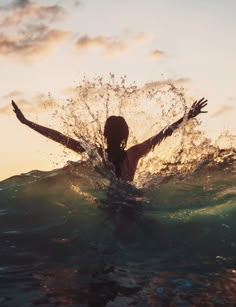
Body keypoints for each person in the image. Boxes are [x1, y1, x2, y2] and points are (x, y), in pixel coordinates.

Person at [12, 98, 207, 182]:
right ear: (125, 136)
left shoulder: (96, 154)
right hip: (133, 200)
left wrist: (27, 123)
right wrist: (188, 116)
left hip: (111, 203)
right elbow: (164, 134)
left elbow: (60, 138)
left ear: (104, 134)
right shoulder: (133, 154)